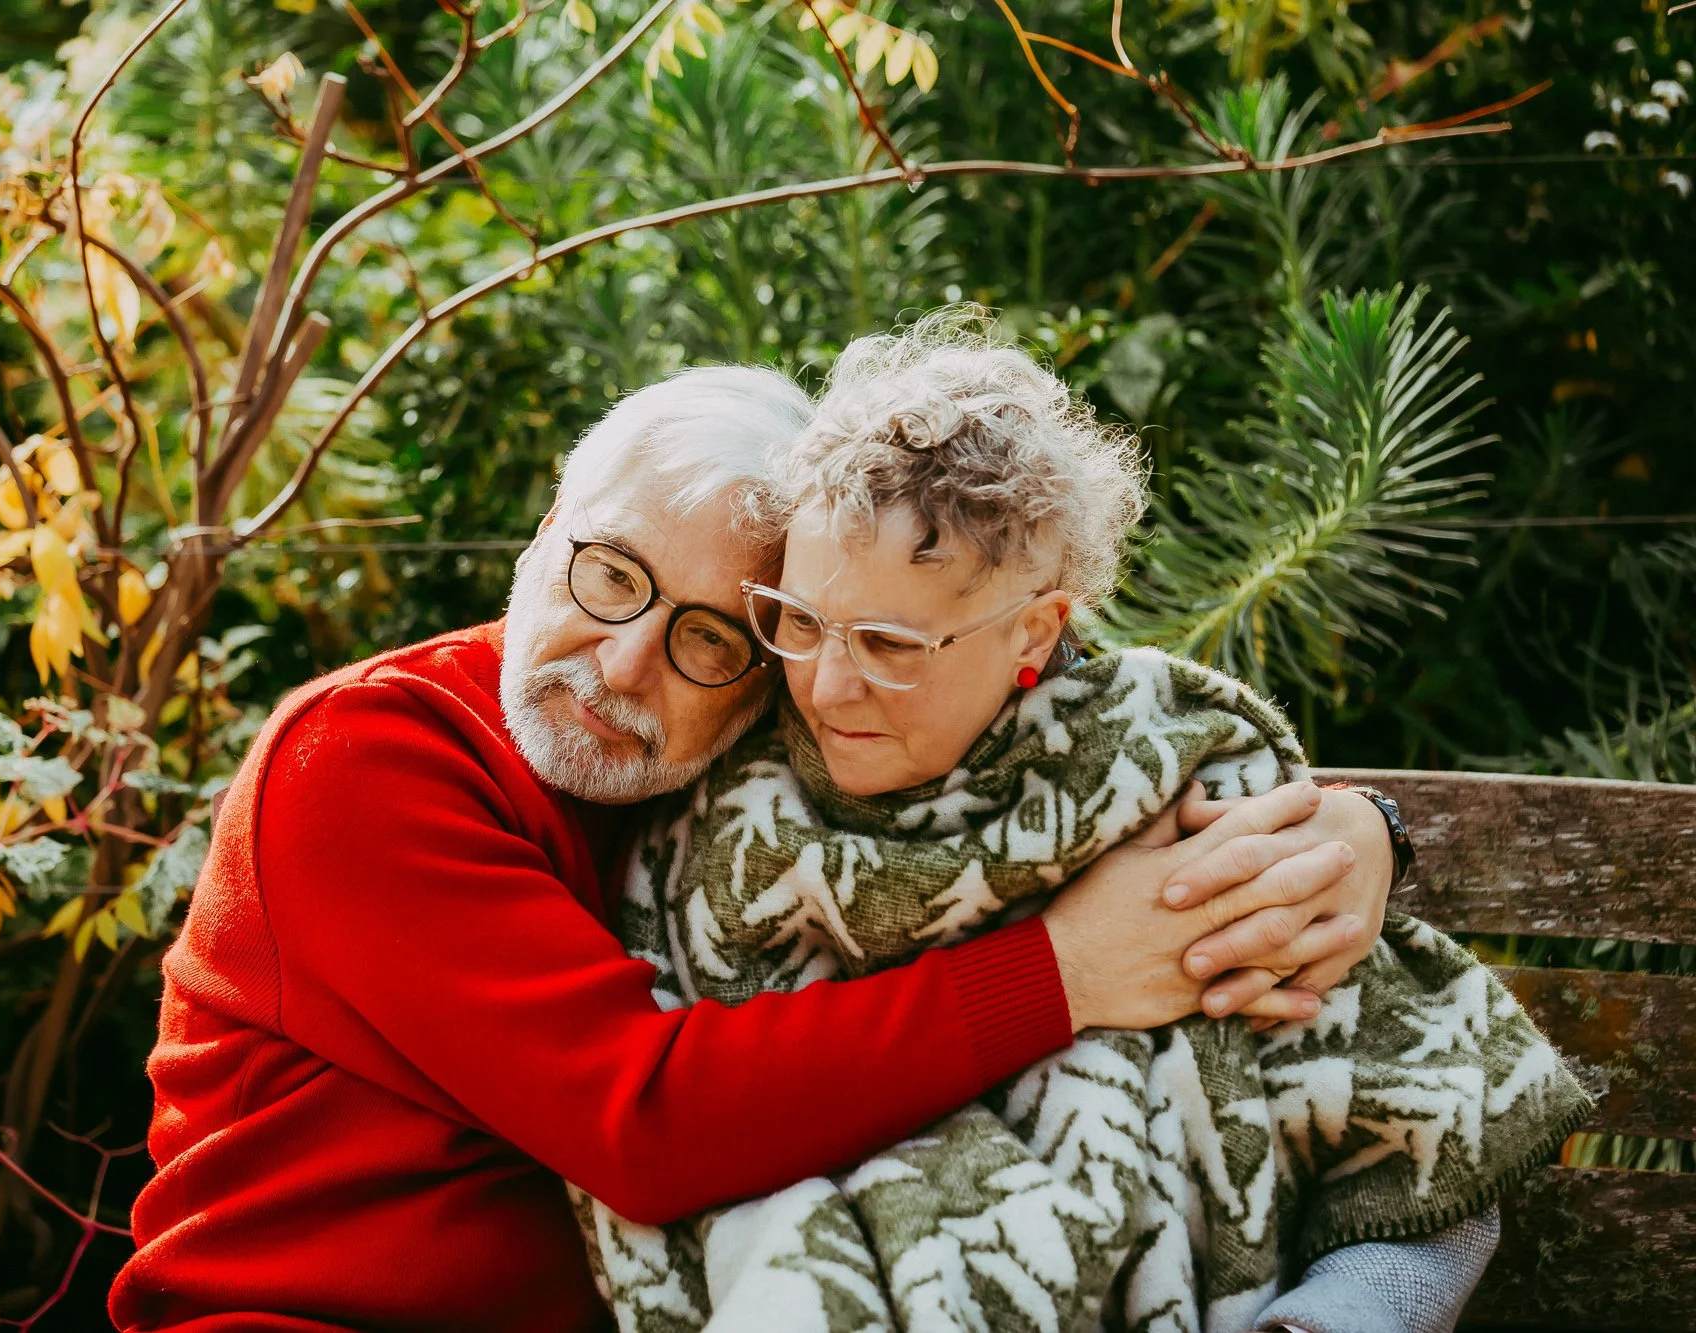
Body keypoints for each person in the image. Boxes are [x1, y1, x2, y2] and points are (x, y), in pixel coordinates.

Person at [109, 364, 1407, 1331]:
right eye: (606, 574)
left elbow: (1055, 726)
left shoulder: (751, 772)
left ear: (766, 663)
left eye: (708, 636)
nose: (622, 666)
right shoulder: (367, 760)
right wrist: (1063, 970)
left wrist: (1360, 833)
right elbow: (645, 1116)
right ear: (542, 527)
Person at [576, 311, 1585, 1333]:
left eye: (888, 642)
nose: (828, 685)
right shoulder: (726, 793)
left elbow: (1421, 1130)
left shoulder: (1167, 775)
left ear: (1033, 631)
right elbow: (672, 1106)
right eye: (798, 619)